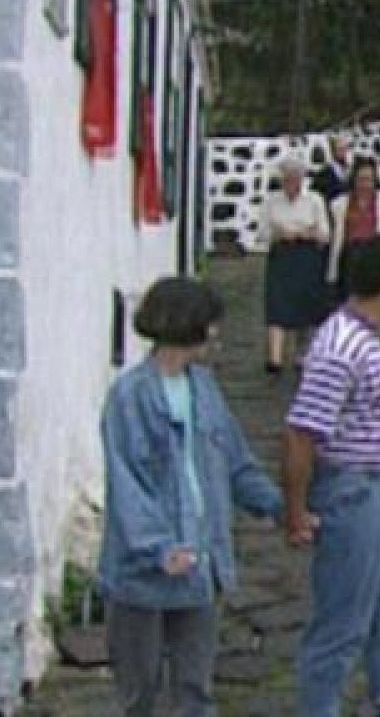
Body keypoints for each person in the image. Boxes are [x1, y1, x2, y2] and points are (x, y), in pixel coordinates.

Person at [98, 277, 283, 716]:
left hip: (202, 564)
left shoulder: (205, 387)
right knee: (138, 694)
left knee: (195, 691)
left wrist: (278, 505)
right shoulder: (129, 397)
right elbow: (126, 484)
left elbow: (234, 459)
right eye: (209, 325)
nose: (216, 334)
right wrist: (158, 547)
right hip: (144, 574)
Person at [284, 235, 380, 717]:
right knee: (342, 624)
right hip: (352, 491)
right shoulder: (340, 349)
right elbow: (302, 434)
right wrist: (297, 512)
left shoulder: (363, 339)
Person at [260, 156, 331, 373]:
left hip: (306, 257)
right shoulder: (271, 201)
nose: (291, 183)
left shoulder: (315, 201)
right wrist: (279, 233)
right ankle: (275, 359)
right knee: (277, 305)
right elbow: (262, 233)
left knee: (305, 307)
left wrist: (305, 233)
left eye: (295, 179)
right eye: (287, 179)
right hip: (281, 256)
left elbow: (325, 234)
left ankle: (303, 355)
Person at [327, 158, 380, 299]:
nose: (365, 184)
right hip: (349, 261)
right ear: (354, 180)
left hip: (375, 260)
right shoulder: (338, 205)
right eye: (361, 179)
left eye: (369, 179)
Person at [313, 136, 352, 205]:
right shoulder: (324, 172)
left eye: (345, 149)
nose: (344, 152)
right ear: (333, 151)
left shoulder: (351, 169)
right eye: (340, 149)